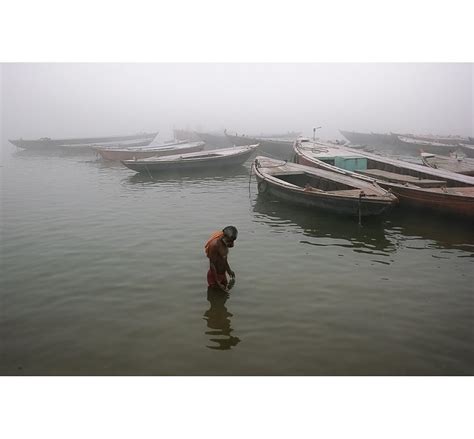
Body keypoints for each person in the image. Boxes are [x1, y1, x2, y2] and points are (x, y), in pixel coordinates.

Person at [204, 226, 238, 292]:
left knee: (224, 295)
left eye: (233, 241)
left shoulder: (225, 243)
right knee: (215, 295)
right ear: (223, 236)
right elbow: (212, 264)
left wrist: (229, 271)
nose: (232, 244)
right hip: (214, 276)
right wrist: (217, 282)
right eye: (229, 241)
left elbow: (224, 259)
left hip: (223, 274)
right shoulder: (214, 245)